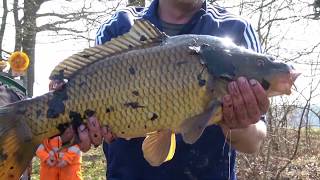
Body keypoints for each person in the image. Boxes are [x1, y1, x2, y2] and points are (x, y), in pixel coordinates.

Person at [51, 0, 269, 179]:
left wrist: (237, 120)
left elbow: (254, 140)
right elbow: (82, 105)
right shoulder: (119, 26)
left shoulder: (235, 31)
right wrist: (79, 128)